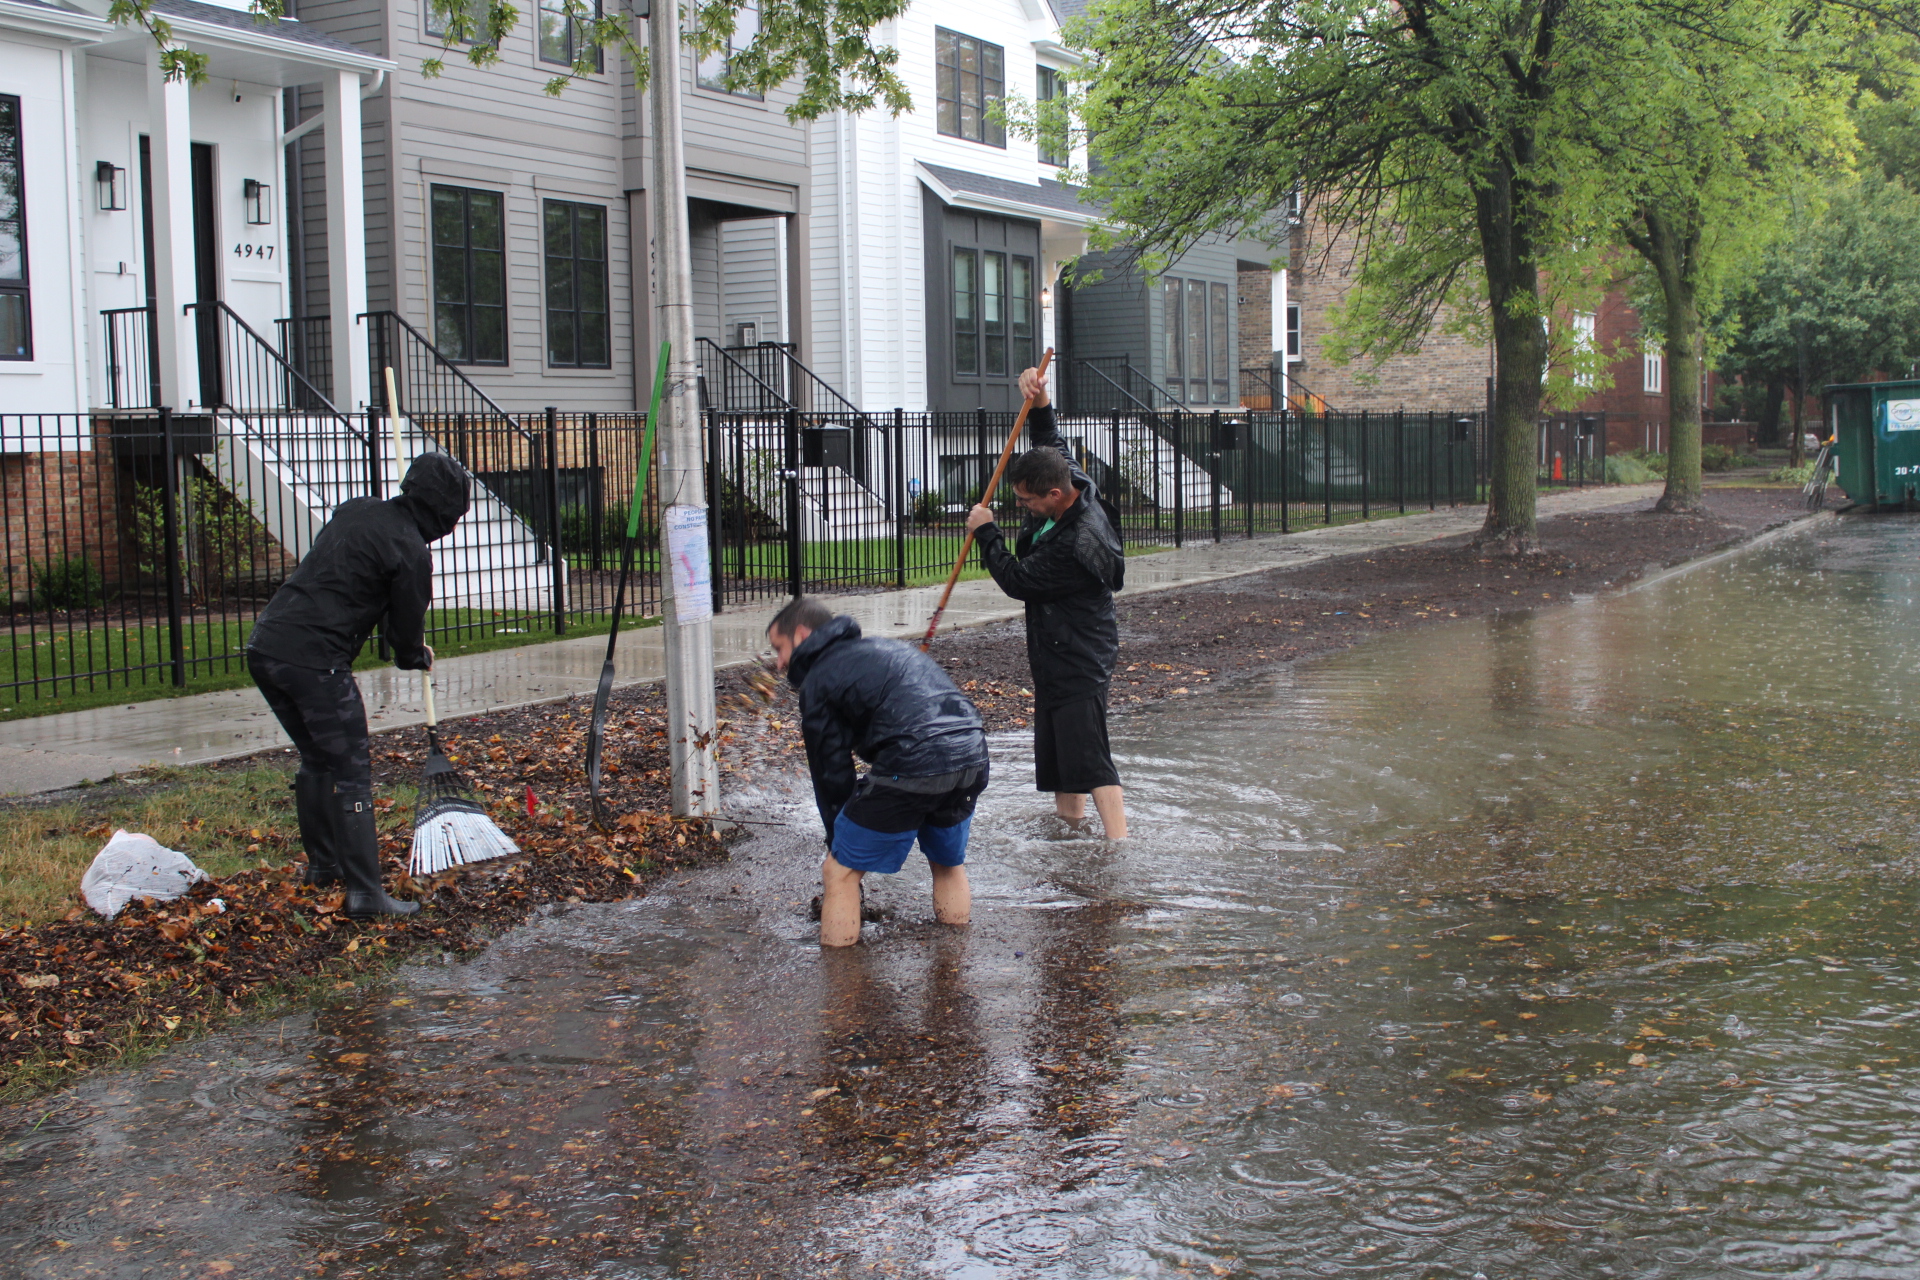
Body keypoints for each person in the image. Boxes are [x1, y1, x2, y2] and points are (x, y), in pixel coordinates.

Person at [247, 451, 471, 918]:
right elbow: (404, 635)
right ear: (443, 513)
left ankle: (323, 866)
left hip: (267, 646)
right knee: (351, 772)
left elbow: (355, 574)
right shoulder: (411, 551)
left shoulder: (356, 508)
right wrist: (414, 656)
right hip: (315, 662)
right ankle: (367, 895)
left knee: (316, 758)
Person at [768, 596, 989, 947]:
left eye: (778, 649)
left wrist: (838, 842)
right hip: (972, 754)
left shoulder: (819, 681)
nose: (779, 664)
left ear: (800, 635)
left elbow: (831, 772)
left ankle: (841, 993)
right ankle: (953, 973)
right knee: (947, 862)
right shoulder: (885, 648)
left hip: (916, 761)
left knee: (839, 874)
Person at [965, 365, 1128, 838]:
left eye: (1027, 501)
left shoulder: (1077, 544)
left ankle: (1119, 849)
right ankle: (1069, 830)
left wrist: (987, 532)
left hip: (1080, 655)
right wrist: (1038, 399)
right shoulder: (1067, 478)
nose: (1023, 507)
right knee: (1062, 756)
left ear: (1054, 495)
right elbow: (1049, 437)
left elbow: (1018, 580)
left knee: (1092, 757)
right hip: (1055, 651)